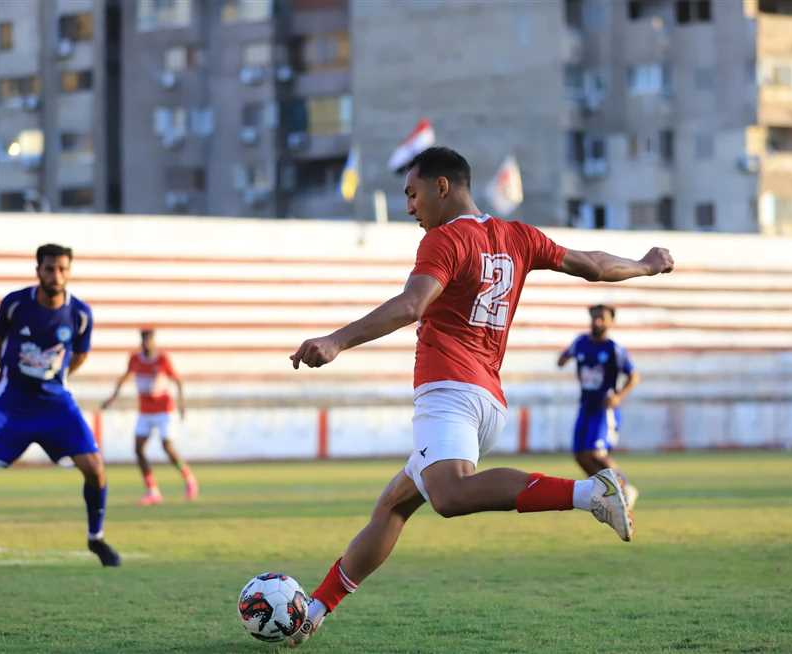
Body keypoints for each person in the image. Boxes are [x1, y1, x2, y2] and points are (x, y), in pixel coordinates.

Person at [287, 147, 674, 645]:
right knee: (393, 507)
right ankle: (316, 607)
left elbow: (412, 304)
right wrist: (645, 265)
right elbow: (593, 265)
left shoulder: (445, 240)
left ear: (441, 186)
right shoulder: (518, 236)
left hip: (448, 391)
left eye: (412, 193)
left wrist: (336, 340)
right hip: (486, 400)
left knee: (448, 495)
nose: (410, 208)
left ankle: (592, 493)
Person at [0, 243, 121, 572]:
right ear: (38, 271)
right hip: (10, 402)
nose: (56, 275)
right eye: (49, 268)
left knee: (95, 468)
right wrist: (9, 372)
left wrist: (56, 377)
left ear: (69, 271)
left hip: (55, 404)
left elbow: (79, 355)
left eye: (62, 269)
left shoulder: (80, 314)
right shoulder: (15, 304)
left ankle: (96, 537)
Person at [557, 304, 641, 509]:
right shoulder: (581, 342)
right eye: (594, 317)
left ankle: (626, 488)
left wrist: (619, 396)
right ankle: (604, 492)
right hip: (585, 406)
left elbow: (634, 376)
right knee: (580, 455)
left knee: (596, 454)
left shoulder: (614, 349)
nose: (597, 321)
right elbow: (564, 358)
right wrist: (564, 358)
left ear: (611, 322)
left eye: (602, 318)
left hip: (604, 410)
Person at [101, 328, 196, 505]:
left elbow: (177, 381)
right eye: (143, 340)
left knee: (167, 446)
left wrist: (182, 405)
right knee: (138, 449)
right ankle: (152, 490)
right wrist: (111, 398)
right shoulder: (135, 359)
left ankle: (189, 479)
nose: (146, 344)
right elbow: (124, 377)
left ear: (154, 341)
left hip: (164, 410)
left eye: (149, 340)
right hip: (145, 411)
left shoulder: (162, 359)